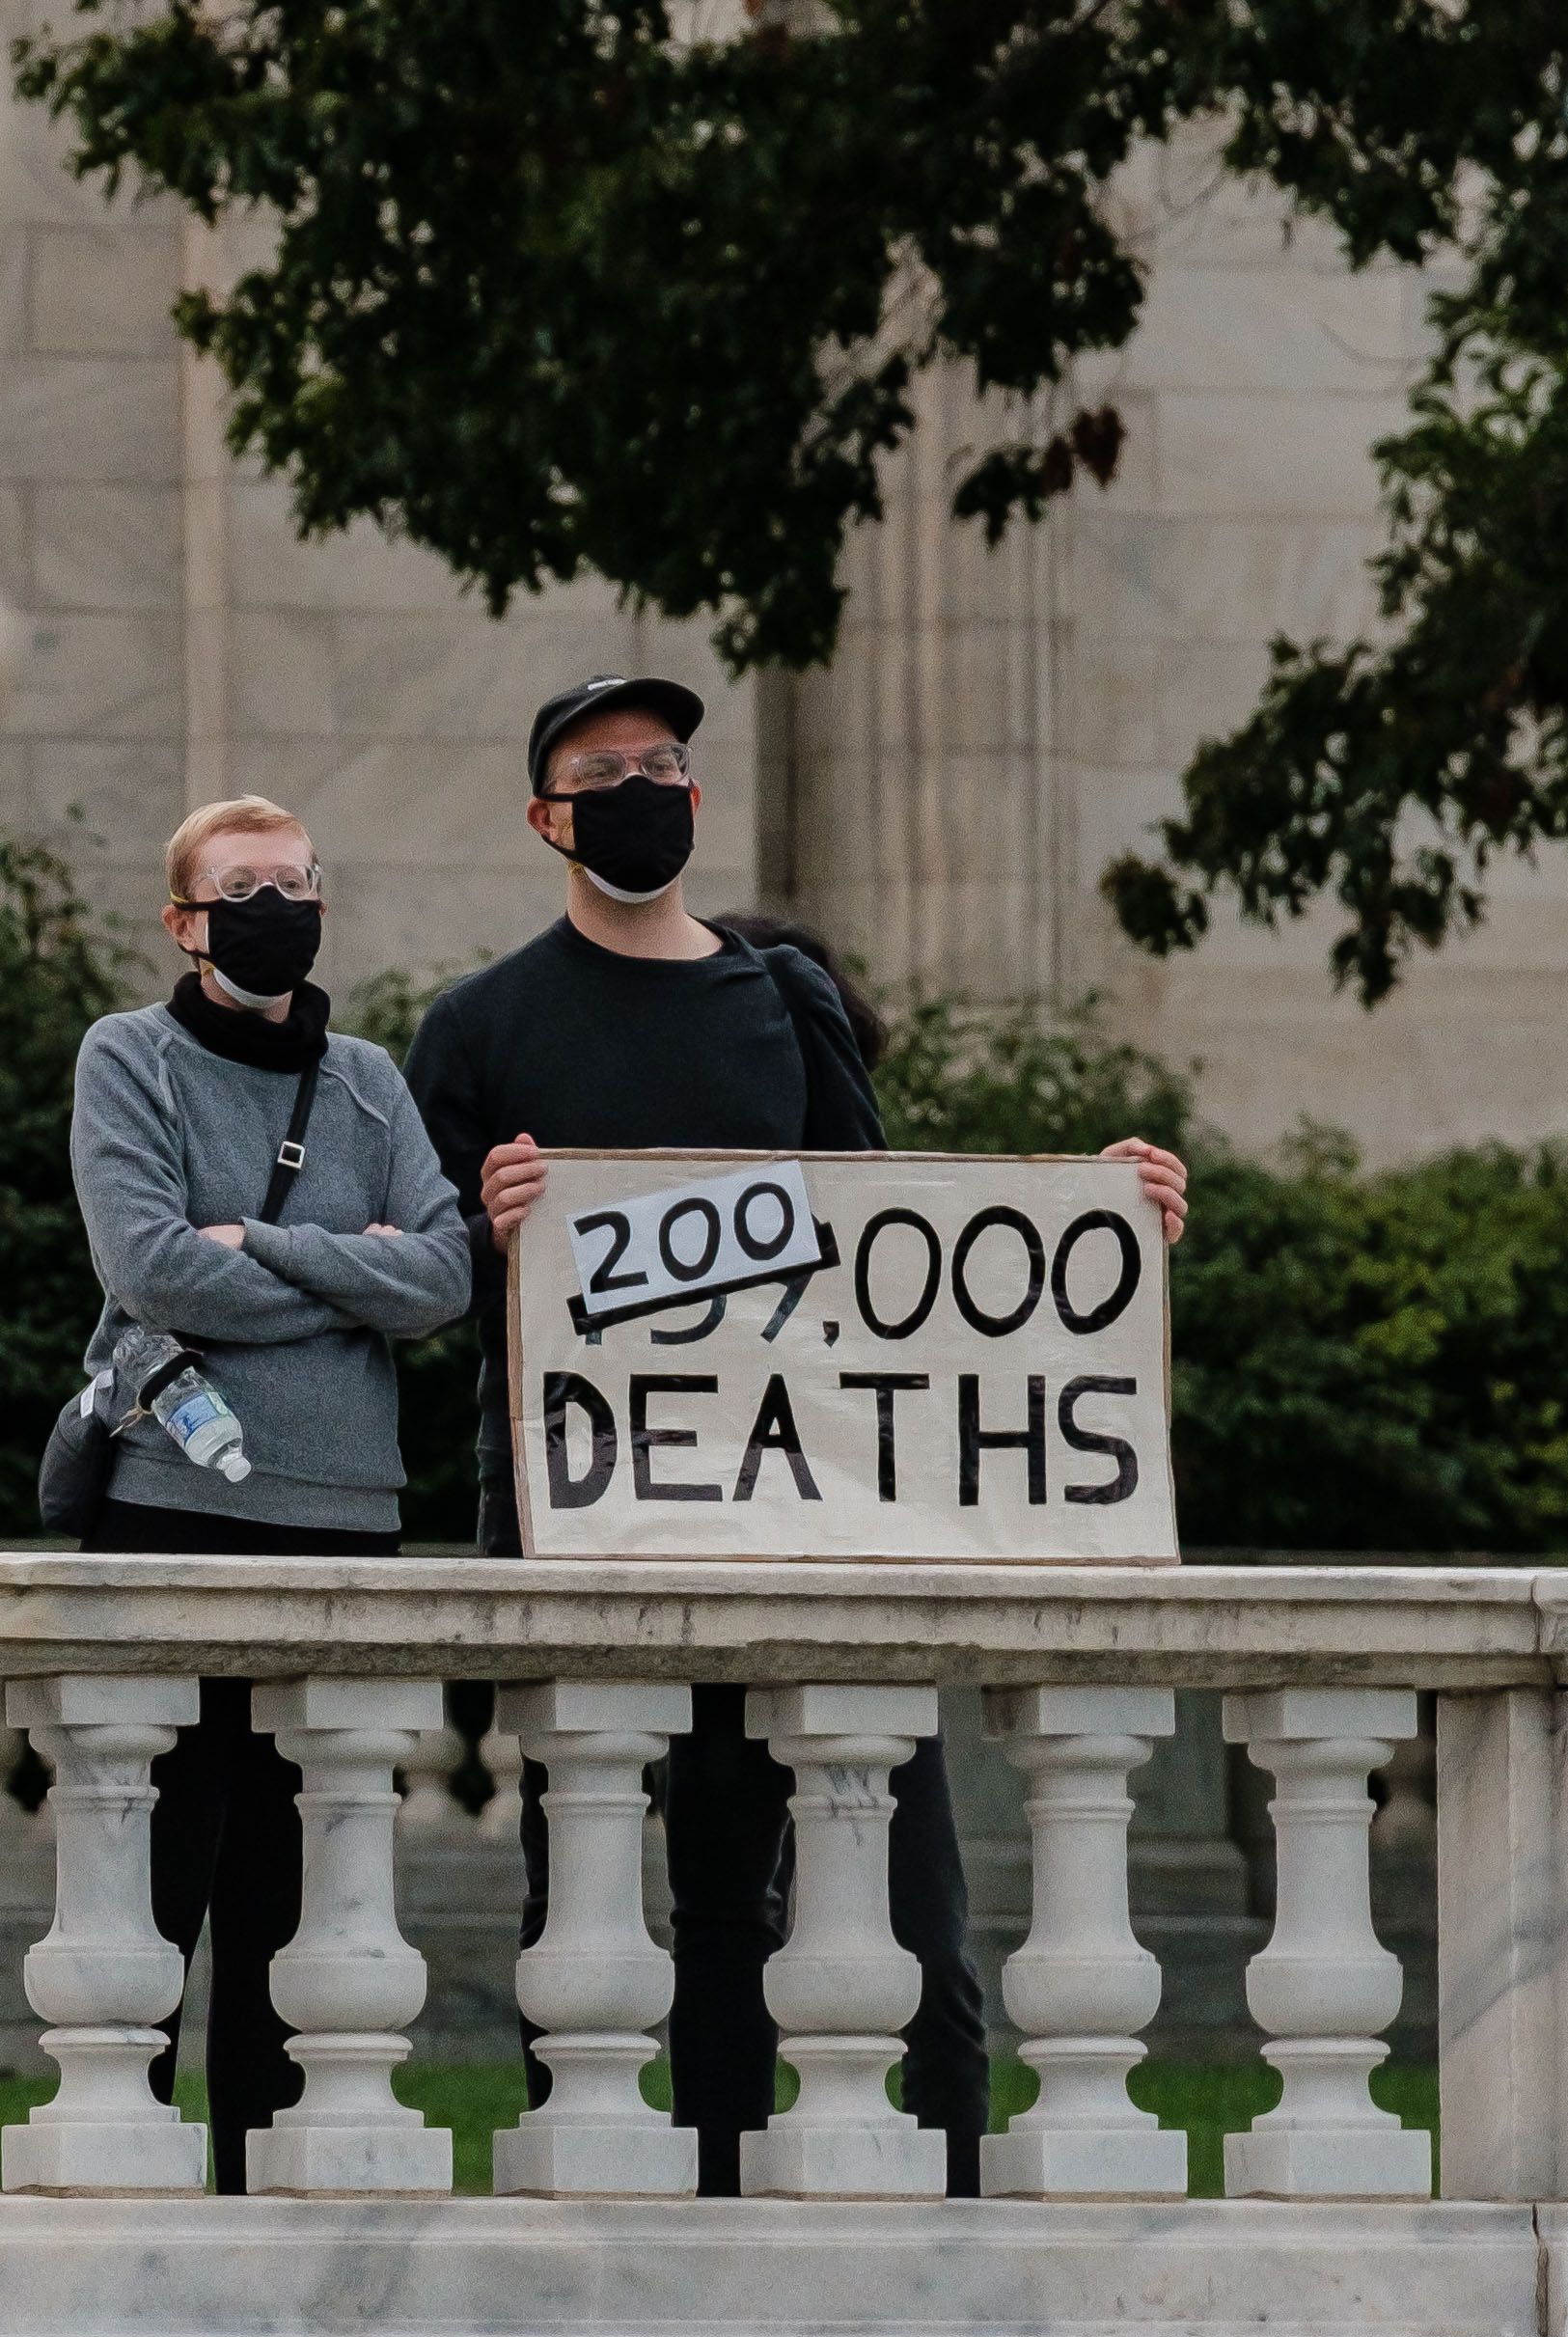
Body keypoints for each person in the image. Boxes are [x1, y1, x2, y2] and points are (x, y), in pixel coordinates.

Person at [402, 676, 1192, 2198]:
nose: (643, 785)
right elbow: (421, 1276)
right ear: (542, 817)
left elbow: (898, 1251)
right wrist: (491, 1235)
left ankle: (952, 2188)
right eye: (604, 768)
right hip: (594, 1530)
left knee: (908, 1897)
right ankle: (691, 2196)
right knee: (655, 1890)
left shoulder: (782, 1002)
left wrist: (1087, 1213)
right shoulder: (477, 1026)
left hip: (814, 1509)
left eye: (665, 761)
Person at [63, 798, 474, 2190]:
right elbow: (153, 1270)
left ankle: (269, 2202)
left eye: (295, 881)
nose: (272, 905)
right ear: (183, 919)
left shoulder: (364, 1077)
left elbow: (443, 1273)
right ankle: (132, 2198)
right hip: (170, 1506)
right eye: (240, 886)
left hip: (344, 1516)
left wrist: (263, 1245)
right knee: (151, 1884)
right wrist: (339, 1272)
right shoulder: (129, 1058)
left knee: (297, 1909)